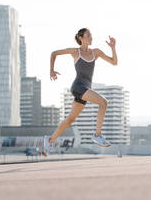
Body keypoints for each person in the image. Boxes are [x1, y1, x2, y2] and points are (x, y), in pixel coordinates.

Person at [42, 28, 118, 156]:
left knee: (70, 119)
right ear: (81, 38)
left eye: (91, 35)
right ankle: (97, 135)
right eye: (88, 35)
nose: (91, 37)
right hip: (78, 86)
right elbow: (54, 53)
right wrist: (51, 70)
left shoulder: (96, 52)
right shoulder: (75, 52)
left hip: (85, 89)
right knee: (103, 102)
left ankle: (49, 140)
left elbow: (114, 62)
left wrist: (113, 48)